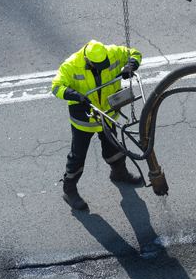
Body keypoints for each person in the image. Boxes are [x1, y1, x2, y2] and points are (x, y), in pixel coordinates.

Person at [51, 40, 143, 210]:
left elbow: (135, 53)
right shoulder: (71, 65)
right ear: (87, 60)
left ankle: (118, 172)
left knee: (113, 146)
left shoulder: (112, 53)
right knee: (77, 156)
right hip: (84, 119)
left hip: (107, 114)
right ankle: (69, 190)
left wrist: (131, 65)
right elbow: (56, 87)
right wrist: (76, 95)